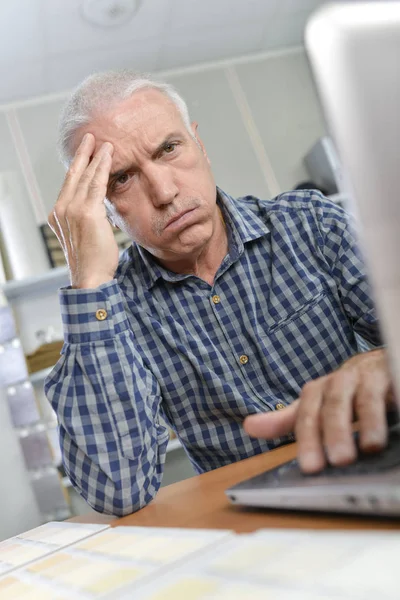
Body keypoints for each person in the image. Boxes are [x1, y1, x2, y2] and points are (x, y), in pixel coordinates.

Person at [45, 70, 392, 516]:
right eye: (122, 179)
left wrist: (386, 359)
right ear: (104, 210)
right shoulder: (113, 313)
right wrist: (89, 285)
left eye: (169, 149)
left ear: (199, 145)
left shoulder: (312, 225)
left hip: (376, 477)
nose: (165, 192)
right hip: (254, 531)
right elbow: (119, 491)